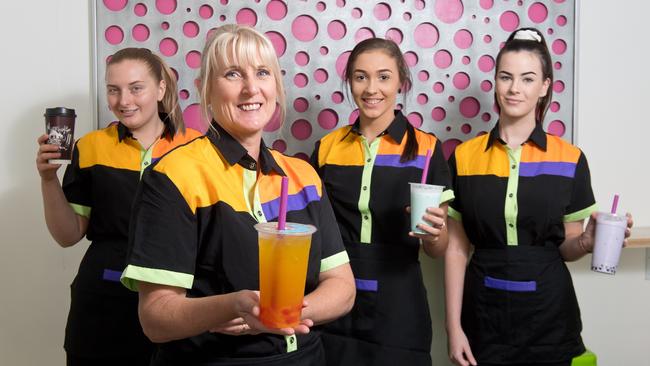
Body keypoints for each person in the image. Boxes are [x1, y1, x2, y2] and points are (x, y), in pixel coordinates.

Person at [120, 24, 355, 366]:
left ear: (275, 85)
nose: (251, 89)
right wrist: (234, 306)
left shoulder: (303, 177)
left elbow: (343, 288)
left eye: (262, 73)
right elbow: (156, 318)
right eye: (232, 74)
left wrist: (284, 314)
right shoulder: (173, 176)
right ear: (206, 89)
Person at [444, 27, 634, 366]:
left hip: (549, 316)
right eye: (506, 77)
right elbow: (457, 249)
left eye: (528, 79)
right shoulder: (464, 157)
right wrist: (453, 327)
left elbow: (568, 247)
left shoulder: (569, 158)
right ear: (496, 82)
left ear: (545, 87)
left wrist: (587, 241)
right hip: (482, 315)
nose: (515, 88)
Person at [36, 48, 202, 365]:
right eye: (114, 90)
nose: (123, 100)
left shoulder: (197, 148)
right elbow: (68, 234)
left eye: (136, 88)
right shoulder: (91, 147)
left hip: (178, 300)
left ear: (161, 89)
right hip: (102, 302)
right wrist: (47, 180)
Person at [310, 38, 454, 366]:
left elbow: (438, 247)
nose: (371, 88)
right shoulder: (327, 148)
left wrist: (434, 234)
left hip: (400, 303)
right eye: (361, 77)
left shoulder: (428, 149)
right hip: (334, 293)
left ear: (401, 81)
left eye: (383, 77)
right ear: (349, 81)